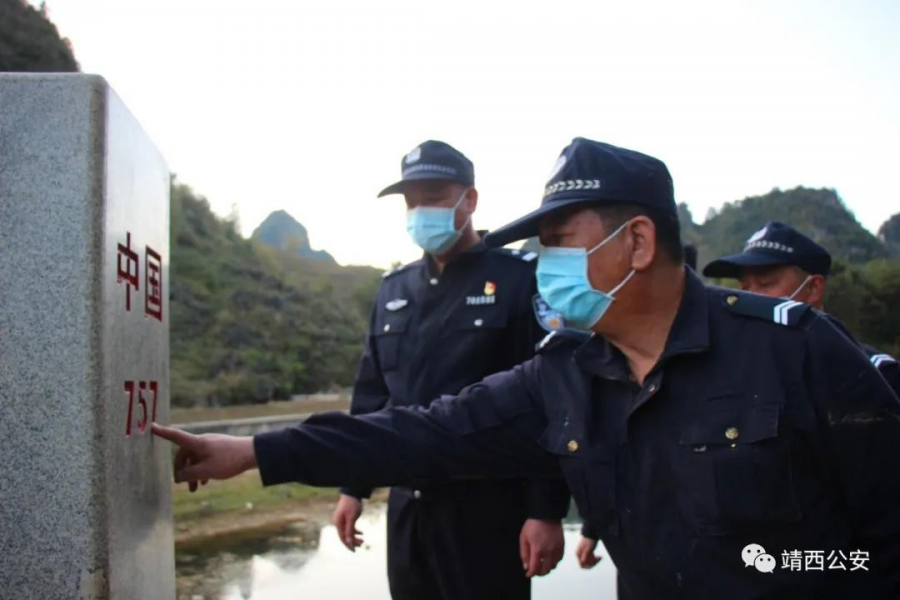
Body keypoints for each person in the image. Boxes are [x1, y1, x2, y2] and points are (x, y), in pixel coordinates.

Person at [154, 138, 900, 600]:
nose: (544, 266)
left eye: (558, 241)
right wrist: (254, 451)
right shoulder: (565, 377)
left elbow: (885, 536)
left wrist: (777, 569)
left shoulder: (797, 348)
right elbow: (420, 433)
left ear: (636, 242)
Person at [331, 140, 569, 600]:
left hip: (488, 510)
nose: (422, 210)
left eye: (435, 196)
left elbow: (551, 402)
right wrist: (352, 486)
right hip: (408, 510)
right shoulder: (393, 291)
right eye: (412, 201)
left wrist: (545, 510)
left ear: (470, 200)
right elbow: (372, 396)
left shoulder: (521, 280)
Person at [702, 221, 900, 396]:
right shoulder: (730, 376)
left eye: (765, 283)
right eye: (744, 288)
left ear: (813, 288)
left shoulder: (875, 375)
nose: (749, 298)